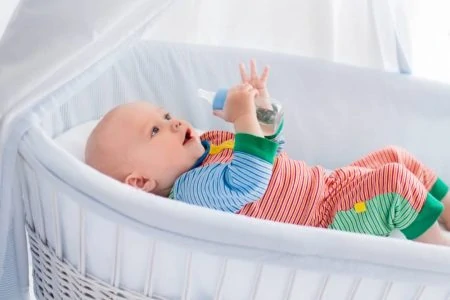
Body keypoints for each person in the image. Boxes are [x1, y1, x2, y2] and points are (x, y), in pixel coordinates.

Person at [85, 60, 450, 246]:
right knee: (395, 183)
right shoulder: (191, 191)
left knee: (394, 156)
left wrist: (260, 110)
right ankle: (435, 258)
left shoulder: (212, 143)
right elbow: (250, 180)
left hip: (328, 185)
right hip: (326, 222)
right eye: (155, 130)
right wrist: (242, 115)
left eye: (165, 115)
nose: (174, 123)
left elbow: (270, 150)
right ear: (141, 181)